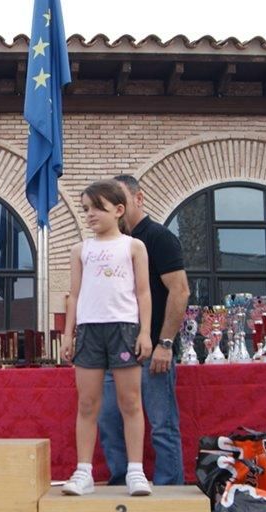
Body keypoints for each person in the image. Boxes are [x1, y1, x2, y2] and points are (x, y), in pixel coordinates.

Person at [60, 179, 153, 497]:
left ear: (118, 209)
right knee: (87, 404)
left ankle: (136, 471)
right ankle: (83, 471)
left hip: (124, 329)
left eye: (97, 208)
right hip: (89, 330)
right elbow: (74, 294)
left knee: (130, 402)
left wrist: (145, 332)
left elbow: (143, 291)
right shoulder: (79, 250)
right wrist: (67, 334)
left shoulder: (133, 246)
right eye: (86, 209)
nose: (90, 215)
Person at [97, 175, 189, 486]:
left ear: (138, 199)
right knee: (108, 418)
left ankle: (168, 489)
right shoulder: (111, 245)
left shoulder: (160, 238)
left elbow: (180, 290)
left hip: (153, 351)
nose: (116, 208)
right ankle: (122, 480)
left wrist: (165, 342)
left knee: (162, 424)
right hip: (115, 351)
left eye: (120, 200)